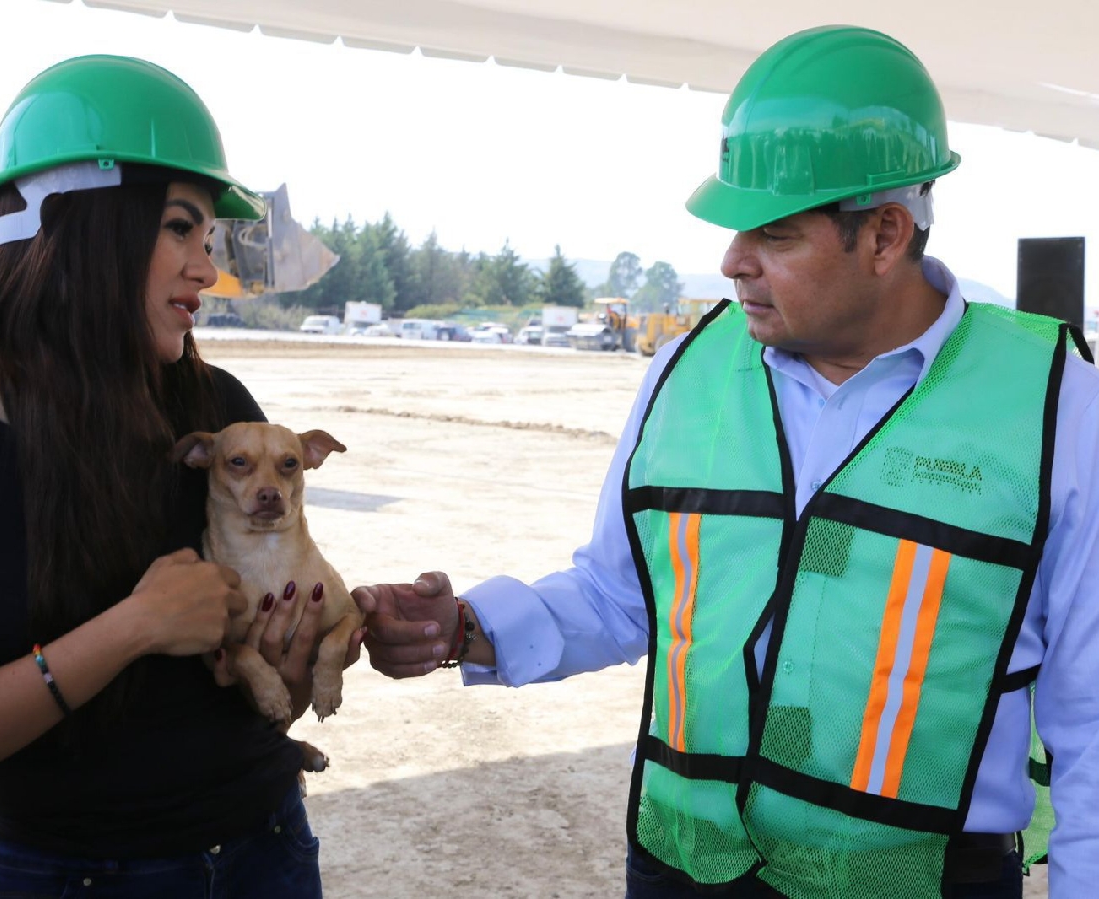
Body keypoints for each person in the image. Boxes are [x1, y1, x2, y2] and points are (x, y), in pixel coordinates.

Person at [355, 25, 1099, 899]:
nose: (732, 261)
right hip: (682, 872)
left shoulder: (1057, 405)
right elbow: (620, 591)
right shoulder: (686, 370)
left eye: (775, 235)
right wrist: (467, 628)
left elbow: (1090, 714)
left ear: (887, 234)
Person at [0, 55, 353, 898]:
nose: (205, 269)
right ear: (77, 222)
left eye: (209, 239)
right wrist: (130, 627)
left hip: (267, 848)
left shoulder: (214, 406)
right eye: (179, 227)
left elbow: (269, 668)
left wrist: (294, 660)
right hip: (68, 874)